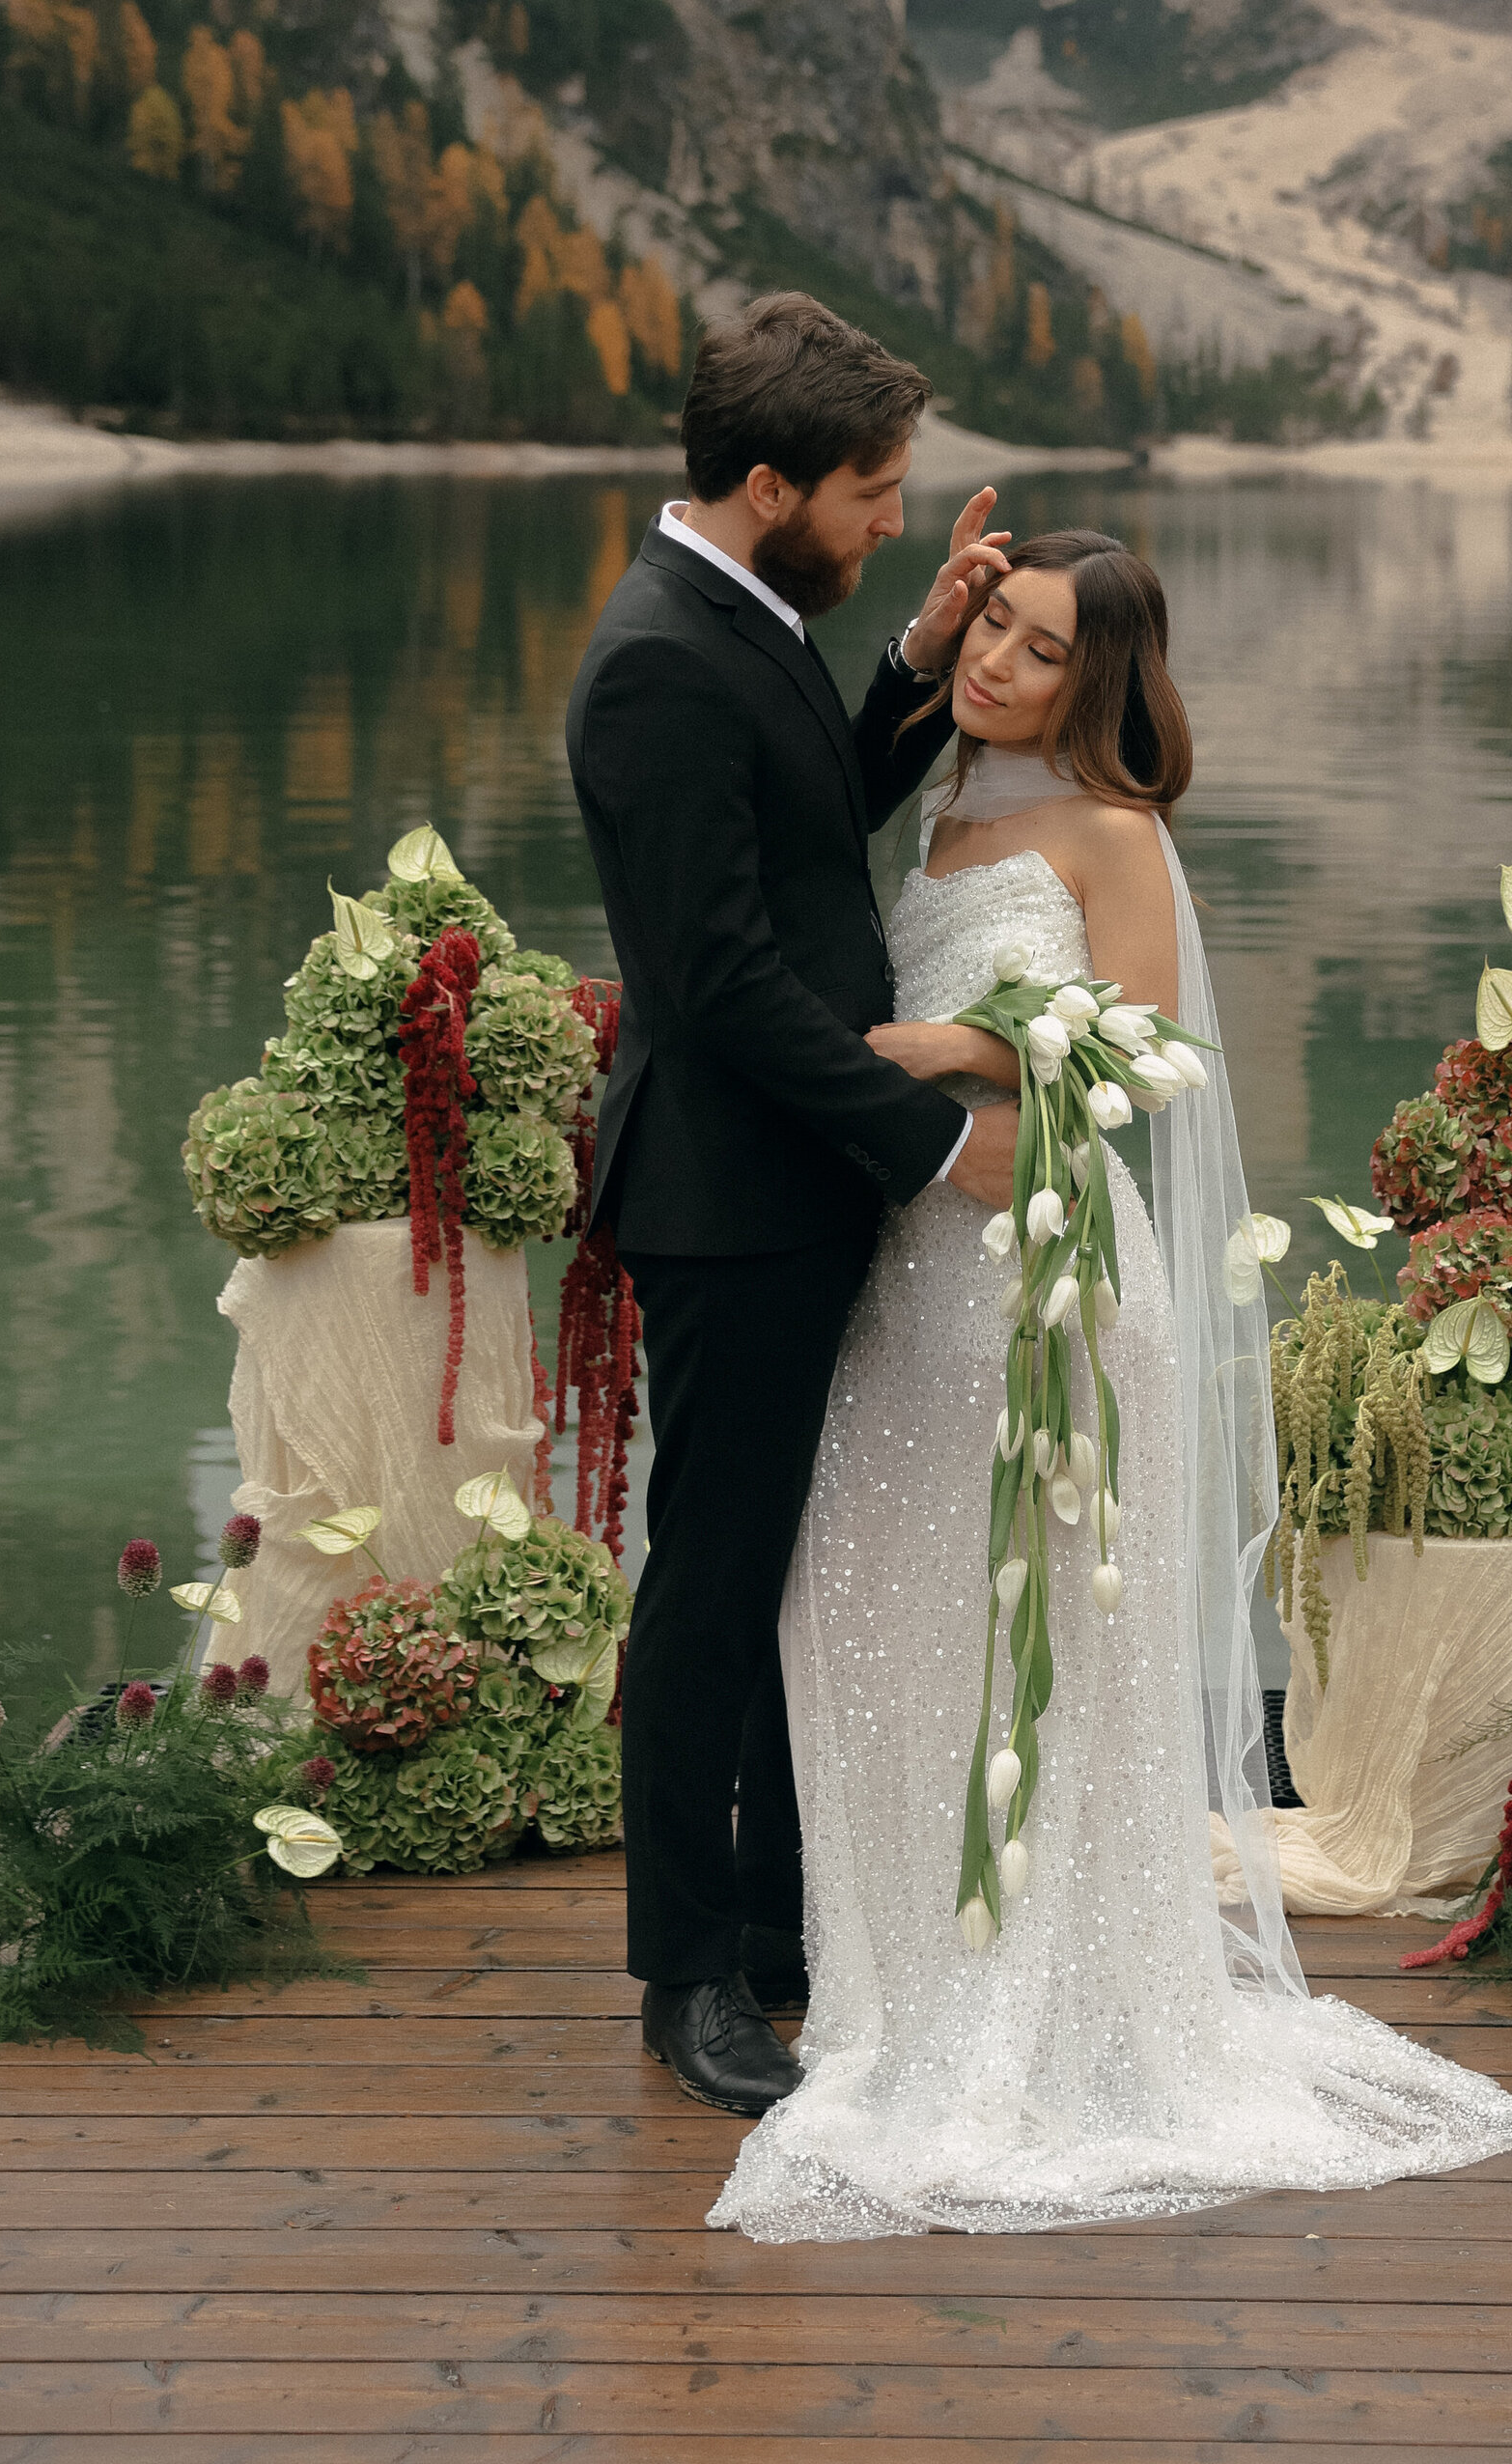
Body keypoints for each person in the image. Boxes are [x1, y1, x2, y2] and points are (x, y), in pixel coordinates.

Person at [711, 526, 1512, 2238]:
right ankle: (899, 1971)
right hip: (907, 1277)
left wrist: (957, 1044)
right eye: (991, 628)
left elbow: (1151, 1058)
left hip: (1049, 1289)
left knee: (1044, 1636)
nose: (1000, 661)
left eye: (1037, 646)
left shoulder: (1114, 828)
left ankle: (1049, 1997)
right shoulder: (940, 810)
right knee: (876, 1610)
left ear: (1102, 680)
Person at [565, 292, 1019, 2119]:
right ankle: (688, 1982)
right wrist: (926, 1141)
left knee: (765, 1564)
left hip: (783, 1181)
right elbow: (725, 984)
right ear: (771, 485)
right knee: (712, 1580)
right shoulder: (657, 659)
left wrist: (911, 665)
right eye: (873, 495)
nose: (894, 516)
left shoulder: (732, 613)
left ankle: (766, 1921)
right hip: (734, 1196)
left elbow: (811, 815)